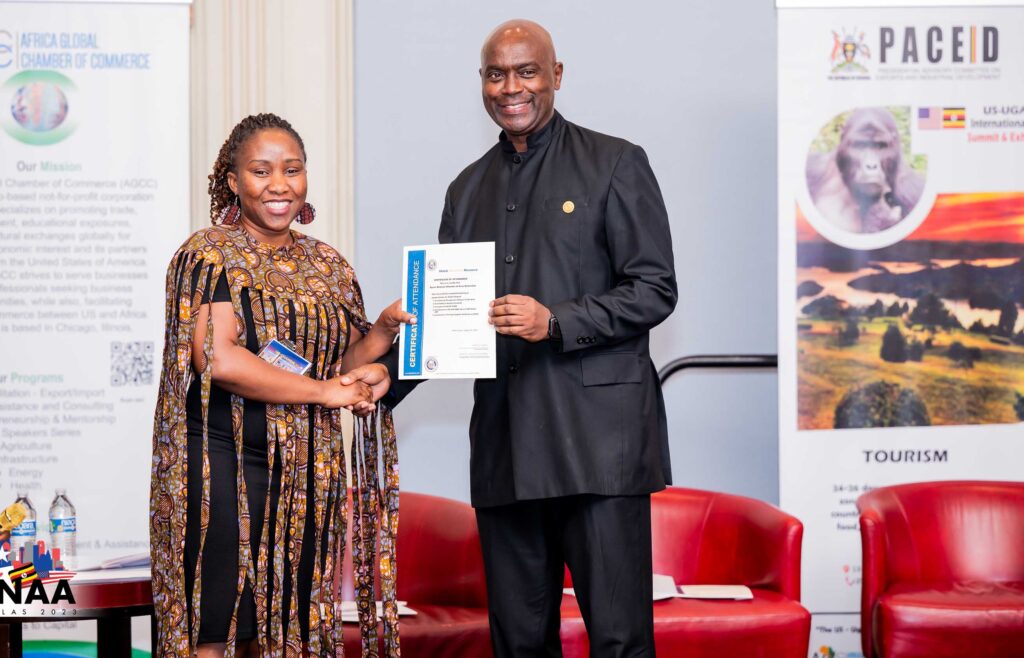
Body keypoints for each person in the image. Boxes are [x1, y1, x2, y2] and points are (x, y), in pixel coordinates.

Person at [375, 20, 677, 658]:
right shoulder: (467, 189)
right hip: (506, 450)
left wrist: (556, 321)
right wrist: (384, 380)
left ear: (556, 75)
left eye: (526, 71)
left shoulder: (615, 162)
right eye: (496, 74)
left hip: (599, 451)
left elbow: (654, 289)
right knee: (517, 645)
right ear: (482, 83)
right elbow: (451, 321)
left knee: (620, 641)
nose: (510, 87)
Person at [150, 113, 405, 657]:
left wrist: (382, 333)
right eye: (261, 171)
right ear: (234, 180)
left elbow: (342, 363)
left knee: (289, 629)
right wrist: (326, 393)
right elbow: (217, 358)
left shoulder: (328, 263)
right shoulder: (208, 254)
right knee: (216, 626)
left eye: (292, 169)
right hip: (222, 462)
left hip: (308, 471)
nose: (279, 185)